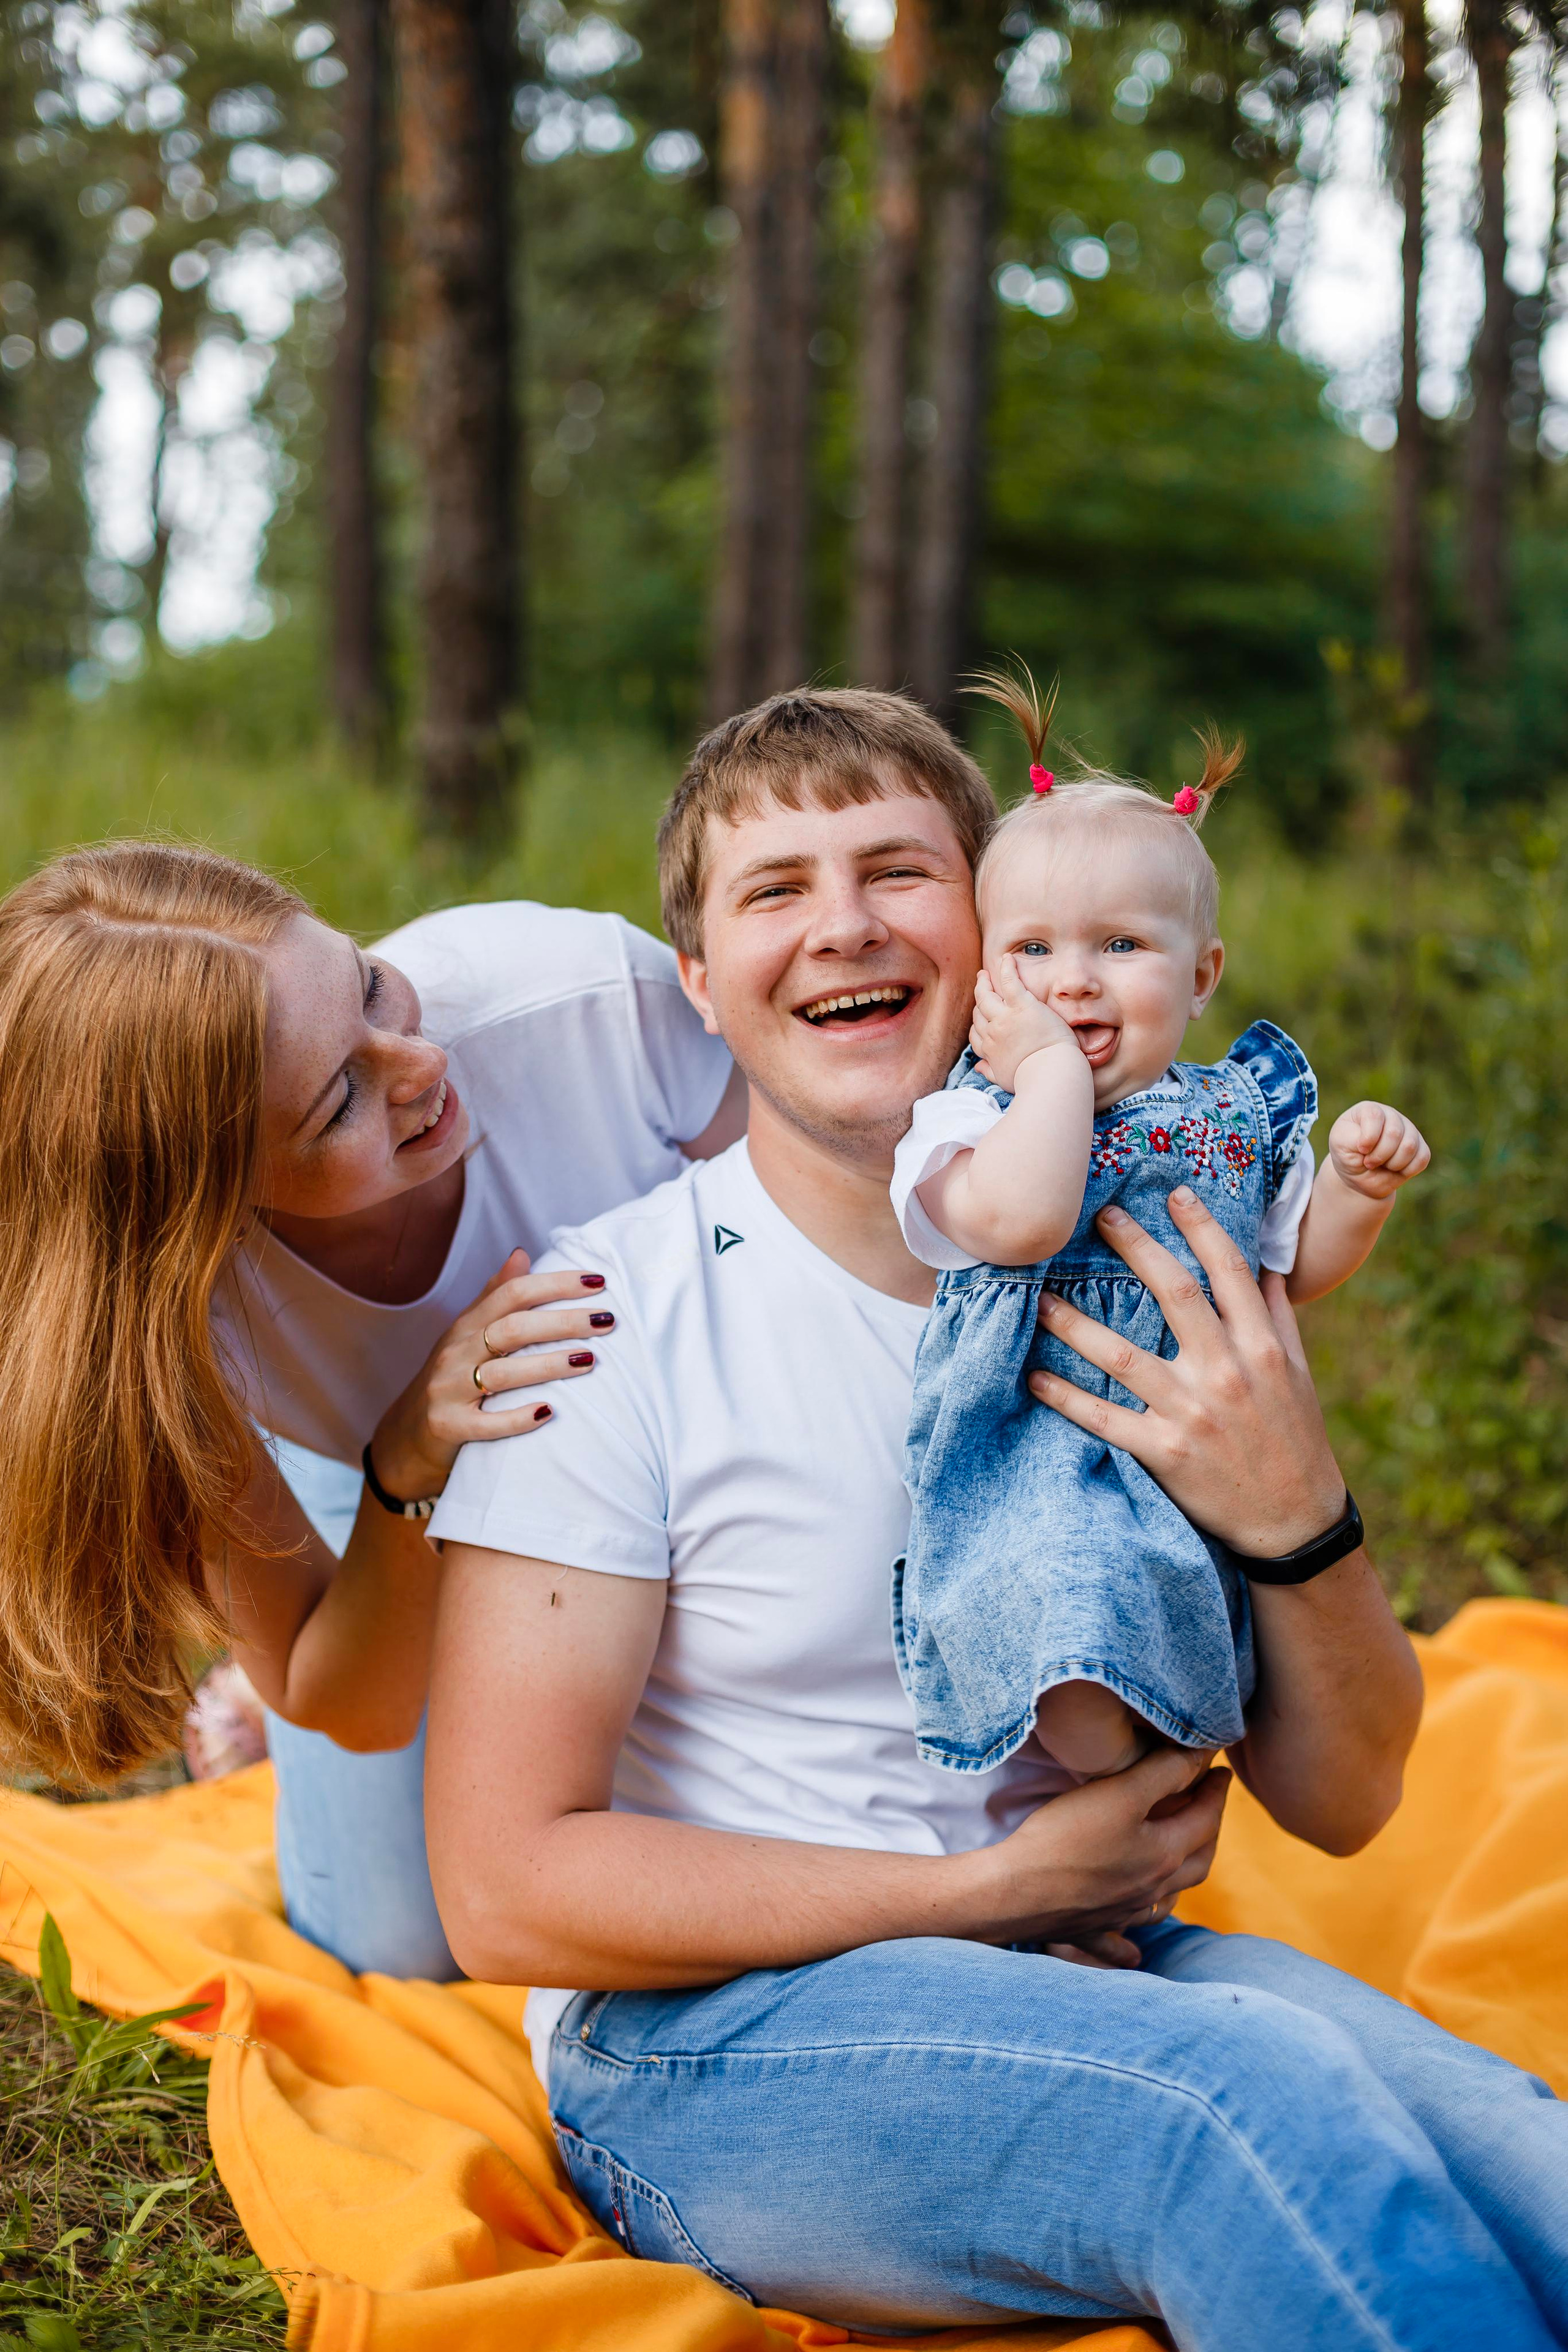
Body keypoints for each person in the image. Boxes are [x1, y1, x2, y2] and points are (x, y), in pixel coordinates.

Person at [422, 687, 1566, 2352]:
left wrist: (1295, 1514)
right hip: (719, 2040)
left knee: (1528, 2161)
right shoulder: (614, 1312)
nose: (842, 929)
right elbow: (507, 1890)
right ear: (699, 982)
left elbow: (1346, 1801)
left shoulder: (1167, 1271)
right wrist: (994, 1891)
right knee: (1243, 2104)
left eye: (897, 870)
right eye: (773, 891)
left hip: (1115, 1965)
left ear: (1005, 932)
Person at [0, 842, 743, 1975]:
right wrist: (406, 1457)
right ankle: (257, 1680)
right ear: (210, 1201)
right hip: (373, 1484)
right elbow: (351, 1700)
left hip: (705, 1435)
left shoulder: (584, 1004)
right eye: (340, 1098)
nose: (422, 1060)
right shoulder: (166, 1333)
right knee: (402, 1943)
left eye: (366, 984)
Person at [891, 667, 1430, 1783]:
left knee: (1204, 1645)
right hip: (1043, 1452)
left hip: (1210, 1458)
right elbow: (1029, 1220)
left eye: (1121, 948)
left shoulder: (1233, 1109)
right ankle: (1101, 1800)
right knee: (1076, 1636)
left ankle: (1139, 1828)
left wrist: (1355, 1191)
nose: (1073, 983)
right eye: (1031, 952)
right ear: (986, 975)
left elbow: (1292, 1271)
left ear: (1202, 977)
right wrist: (1043, 1075)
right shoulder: (970, 1113)